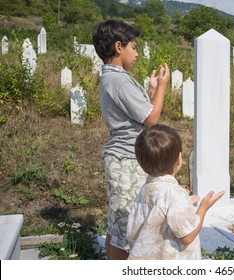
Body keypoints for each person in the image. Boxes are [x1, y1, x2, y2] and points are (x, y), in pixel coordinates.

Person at [92, 19, 170, 260]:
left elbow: (136, 113)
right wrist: (164, 87)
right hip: (125, 158)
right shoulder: (118, 80)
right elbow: (151, 118)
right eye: (133, 47)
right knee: (122, 222)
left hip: (128, 155)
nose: (135, 53)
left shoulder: (115, 78)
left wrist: (152, 91)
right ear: (118, 47)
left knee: (128, 217)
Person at [127, 124, 225, 259]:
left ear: (140, 161)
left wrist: (184, 203)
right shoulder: (175, 194)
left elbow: (157, 215)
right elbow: (187, 236)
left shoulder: (146, 189)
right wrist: (203, 208)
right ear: (179, 159)